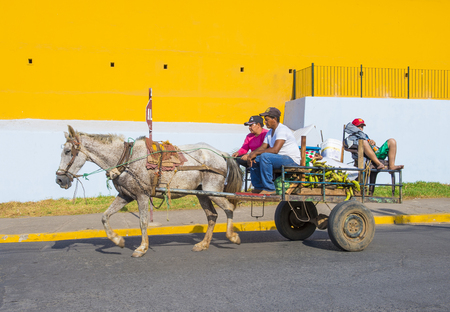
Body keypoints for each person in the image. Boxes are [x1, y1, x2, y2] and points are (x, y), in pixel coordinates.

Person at [247, 107, 301, 195]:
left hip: (290, 160)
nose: (265, 122)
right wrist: (252, 154)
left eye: (267, 120)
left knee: (265, 157)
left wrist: (256, 153)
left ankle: (270, 188)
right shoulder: (270, 132)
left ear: (274, 119)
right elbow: (263, 147)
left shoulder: (282, 130)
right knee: (255, 159)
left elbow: (275, 150)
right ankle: (258, 187)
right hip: (278, 159)